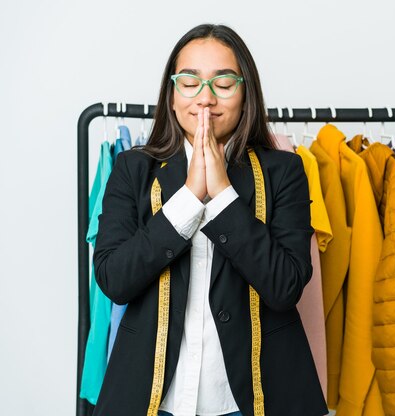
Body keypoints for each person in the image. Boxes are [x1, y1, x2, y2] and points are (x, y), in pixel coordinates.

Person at [92, 24, 328, 416]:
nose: (205, 98)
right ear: (171, 95)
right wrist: (188, 198)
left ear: (245, 92)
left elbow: (285, 286)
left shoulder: (285, 170)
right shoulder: (132, 168)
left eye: (223, 82)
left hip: (258, 395)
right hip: (152, 397)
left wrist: (222, 196)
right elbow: (115, 279)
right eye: (190, 82)